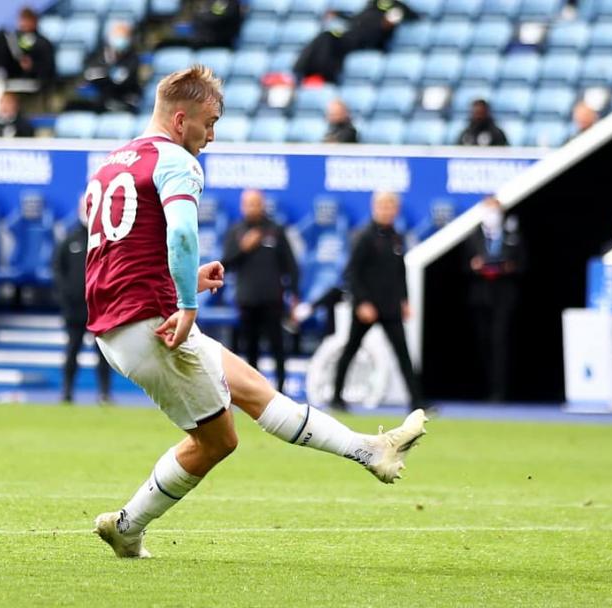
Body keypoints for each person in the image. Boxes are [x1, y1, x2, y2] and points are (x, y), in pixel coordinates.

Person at [87, 66, 427, 558]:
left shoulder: (114, 162)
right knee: (218, 441)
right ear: (181, 120)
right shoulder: (178, 162)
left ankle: (367, 449)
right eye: (209, 122)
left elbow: (120, 252)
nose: (212, 135)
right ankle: (127, 526)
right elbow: (182, 233)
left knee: (253, 390)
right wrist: (185, 302)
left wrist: (181, 279)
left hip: (119, 321)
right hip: (154, 323)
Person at [330, 191, 426, 412]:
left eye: (390, 206)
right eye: (382, 206)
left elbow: (399, 272)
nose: (386, 210)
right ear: (374, 207)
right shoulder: (363, 236)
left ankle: (416, 402)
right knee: (350, 350)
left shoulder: (396, 237)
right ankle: (336, 397)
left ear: (396, 210)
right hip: (367, 307)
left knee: (403, 354)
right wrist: (362, 302)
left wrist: (405, 300)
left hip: (391, 306)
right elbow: (352, 273)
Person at [222, 189, 299, 392]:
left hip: (273, 299)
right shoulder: (236, 231)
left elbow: (290, 265)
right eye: (248, 203)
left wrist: (295, 295)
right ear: (242, 206)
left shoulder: (276, 230)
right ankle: (252, 390)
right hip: (247, 300)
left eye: (256, 203)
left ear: (263, 205)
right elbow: (225, 264)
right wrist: (243, 248)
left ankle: (281, 388)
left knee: (278, 347)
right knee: (250, 348)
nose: (252, 207)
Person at [464, 197, 526, 402]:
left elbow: (524, 264)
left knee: (500, 341)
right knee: (483, 341)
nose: (492, 215)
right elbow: (463, 266)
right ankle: (483, 386)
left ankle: (499, 391)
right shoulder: (473, 236)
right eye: (488, 210)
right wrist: (474, 266)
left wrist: (510, 267)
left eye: (495, 210)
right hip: (480, 297)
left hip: (504, 296)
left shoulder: (512, 236)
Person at [52, 206, 112, 403]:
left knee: (104, 354)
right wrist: (66, 298)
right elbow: (58, 271)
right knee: (72, 351)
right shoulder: (70, 240)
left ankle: (104, 393)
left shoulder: (107, 241)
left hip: (100, 310)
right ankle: (67, 392)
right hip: (75, 311)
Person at [294, 0, 417, 83]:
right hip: (351, 34)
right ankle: (304, 70)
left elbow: (413, 16)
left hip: (366, 41)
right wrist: (338, 14)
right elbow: (355, 20)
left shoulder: (396, 5)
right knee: (326, 36)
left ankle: (324, 76)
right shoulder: (373, 3)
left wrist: (394, 18)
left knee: (329, 39)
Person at [0, 6, 56, 87]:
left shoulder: (43, 43)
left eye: (27, 20)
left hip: (35, 82)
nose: (24, 24)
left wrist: (32, 66)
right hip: (10, 77)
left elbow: (48, 68)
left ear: (34, 21)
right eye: (22, 20)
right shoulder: (12, 38)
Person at [81, 22, 143, 113]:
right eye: (117, 36)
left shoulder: (132, 58)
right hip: (103, 100)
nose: (120, 39)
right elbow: (89, 74)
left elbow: (119, 80)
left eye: (123, 37)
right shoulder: (100, 54)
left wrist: (104, 75)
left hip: (125, 101)